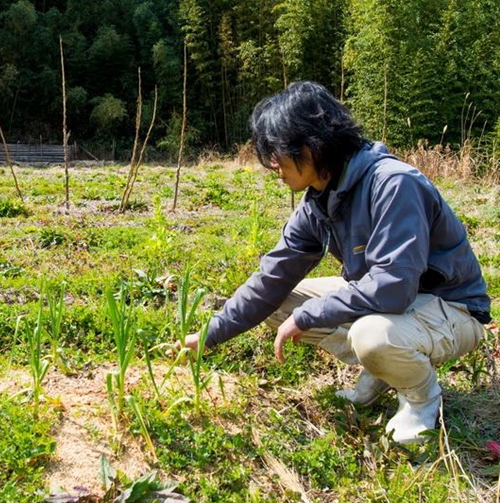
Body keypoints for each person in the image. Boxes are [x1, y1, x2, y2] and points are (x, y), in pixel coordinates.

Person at [179, 81, 491, 444]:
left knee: (372, 334)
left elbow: (393, 287)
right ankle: (383, 368)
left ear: (311, 146)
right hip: (395, 302)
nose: (273, 165)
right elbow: (271, 279)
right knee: (278, 301)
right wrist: (209, 336)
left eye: (277, 152)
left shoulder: (393, 184)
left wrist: (308, 315)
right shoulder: (318, 200)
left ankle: (421, 399)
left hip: (452, 308)